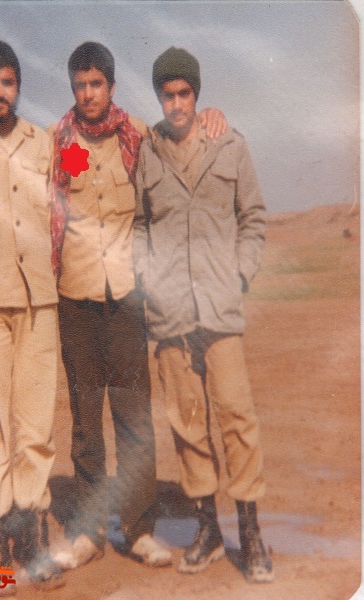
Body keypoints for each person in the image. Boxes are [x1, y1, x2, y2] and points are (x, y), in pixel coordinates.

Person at [49, 41, 228, 571]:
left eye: (96, 84)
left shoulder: (142, 139)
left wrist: (213, 116)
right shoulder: (55, 144)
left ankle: (140, 529)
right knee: (86, 421)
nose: (88, 94)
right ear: (73, 89)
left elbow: (186, 137)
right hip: (75, 297)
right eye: (80, 86)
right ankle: (87, 533)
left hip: (127, 298)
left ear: (111, 86)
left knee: (133, 419)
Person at [133, 46, 274, 584]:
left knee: (237, 417)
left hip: (219, 308)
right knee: (188, 423)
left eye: (184, 93)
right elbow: (140, 225)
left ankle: (251, 531)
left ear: (197, 95)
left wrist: (239, 275)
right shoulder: (147, 153)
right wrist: (147, 277)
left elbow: (252, 217)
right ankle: (208, 529)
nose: (176, 104)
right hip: (170, 313)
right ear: (158, 97)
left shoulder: (229, 144)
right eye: (167, 95)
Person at [0, 40, 63, 589]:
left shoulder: (44, 143)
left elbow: (88, 170)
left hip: (39, 302)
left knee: (35, 425)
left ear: (19, 86)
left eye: (7, 82)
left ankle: (32, 535)